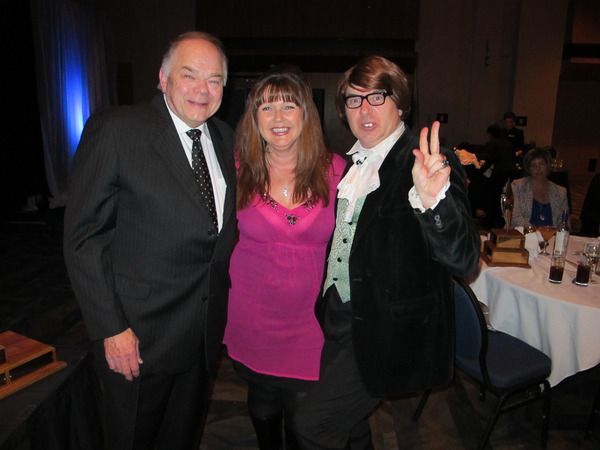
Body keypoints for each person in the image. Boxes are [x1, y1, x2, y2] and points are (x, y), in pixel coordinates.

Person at [293, 56, 480, 449]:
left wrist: (433, 201)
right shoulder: (350, 163)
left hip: (388, 332)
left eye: (377, 97)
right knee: (351, 426)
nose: (364, 110)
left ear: (400, 103)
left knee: (311, 426)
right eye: (354, 99)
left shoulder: (428, 163)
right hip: (339, 316)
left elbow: (464, 258)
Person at [63, 31, 236, 450]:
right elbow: (83, 238)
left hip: (199, 339)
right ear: (162, 78)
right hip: (137, 341)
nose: (202, 89)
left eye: (214, 80)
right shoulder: (118, 130)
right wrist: (112, 328)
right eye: (189, 75)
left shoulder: (225, 137)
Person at [223, 70, 345, 449]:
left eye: (289, 106)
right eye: (266, 107)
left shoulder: (337, 171)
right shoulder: (236, 169)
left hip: (311, 322)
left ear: (306, 114)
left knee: (302, 415)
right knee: (262, 401)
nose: (278, 117)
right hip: (252, 316)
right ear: (253, 118)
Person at [510, 147, 569, 228]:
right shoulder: (517, 186)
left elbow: (565, 222)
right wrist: (537, 231)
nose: (538, 168)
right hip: (525, 234)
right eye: (533, 165)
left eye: (541, 164)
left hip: (551, 235)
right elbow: (515, 218)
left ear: (548, 166)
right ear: (529, 169)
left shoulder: (561, 191)